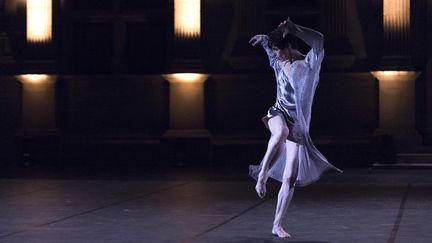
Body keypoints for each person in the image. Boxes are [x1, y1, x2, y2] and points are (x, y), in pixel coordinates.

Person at [248, 18, 342, 238]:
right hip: (277, 113)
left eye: (278, 50)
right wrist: (264, 40)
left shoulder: (309, 64)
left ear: (289, 47)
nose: (275, 55)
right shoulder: (277, 61)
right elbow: (269, 50)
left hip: (297, 123)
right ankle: (262, 174)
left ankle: (277, 224)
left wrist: (295, 29)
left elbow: (319, 40)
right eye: (273, 51)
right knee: (280, 132)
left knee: (290, 177)